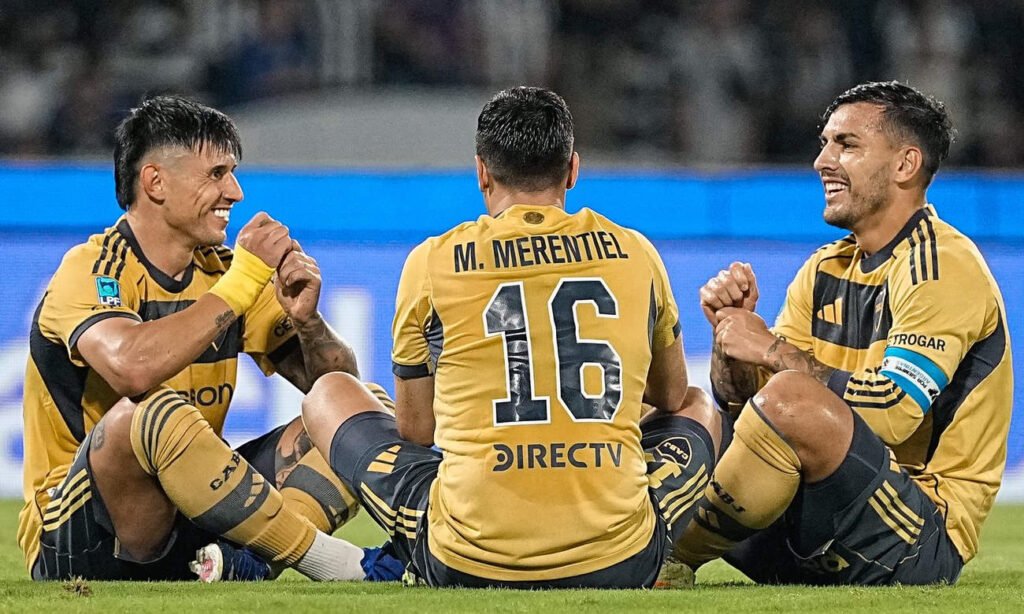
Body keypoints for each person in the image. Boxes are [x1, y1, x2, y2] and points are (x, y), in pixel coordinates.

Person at [300, 86, 724, 588]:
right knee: (699, 405)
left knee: (329, 394)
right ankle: (659, 549)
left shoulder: (433, 263)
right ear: (572, 170)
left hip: (465, 561)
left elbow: (418, 431)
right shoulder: (635, 253)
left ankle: (372, 554)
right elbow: (670, 395)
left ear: (482, 172)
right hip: (620, 561)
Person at [19, 95, 399, 582]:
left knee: (361, 404)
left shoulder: (219, 274)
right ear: (155, 182)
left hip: (187, 517)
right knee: (151, 410)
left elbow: (335, 390)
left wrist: (307, 322)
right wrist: (242, 285)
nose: (235, 192)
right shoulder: (94, 268)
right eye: (215, 174)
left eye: (232, 173)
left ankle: (244, 564)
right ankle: (341, 565)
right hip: (78, 536)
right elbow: (132, 368)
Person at [675, 81, 1013, 585]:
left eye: (846, 145)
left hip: (915, 537)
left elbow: (892, 413)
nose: (822, 161)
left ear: (905, 165)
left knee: (792, 395)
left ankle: (664, 554)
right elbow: (750, 405)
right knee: (681, 410)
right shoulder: (825, 268)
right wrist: (732, 341)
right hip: (815, 523)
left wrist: (770, 348)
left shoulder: (942, 267)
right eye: (825, 143)